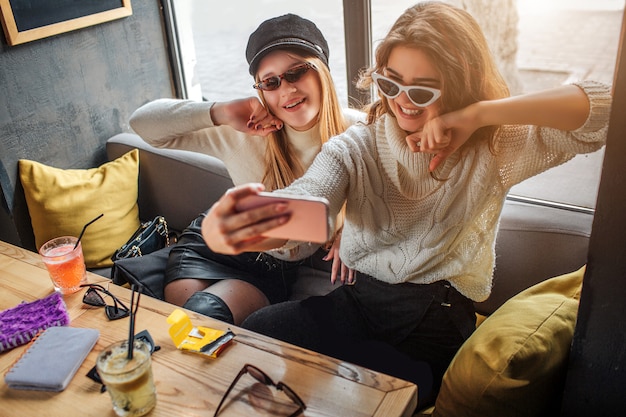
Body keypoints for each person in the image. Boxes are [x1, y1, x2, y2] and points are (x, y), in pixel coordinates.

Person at [199, 1, 612, 409]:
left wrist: (480, 114)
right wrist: (256, 219)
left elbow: (605, 109)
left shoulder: (495, 146)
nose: (402, 101)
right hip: (360, 301)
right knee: (258, 331)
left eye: (422, 88)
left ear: (460, 82)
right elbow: (315, 199)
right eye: (390, 83)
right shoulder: (358, 145)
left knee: (367, 396)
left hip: (439, 319)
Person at [129, 14, 363, 325]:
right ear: (261, 90)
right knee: (190, 329)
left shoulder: (357, 131)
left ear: (322, 71)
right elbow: (141, 124)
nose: (286, 90)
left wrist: (352, 230)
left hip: (270, 268)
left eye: (297, 72)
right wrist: (220, 111)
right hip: (208, 246)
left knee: (204, 318)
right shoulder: (243, 130)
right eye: (271, 82)